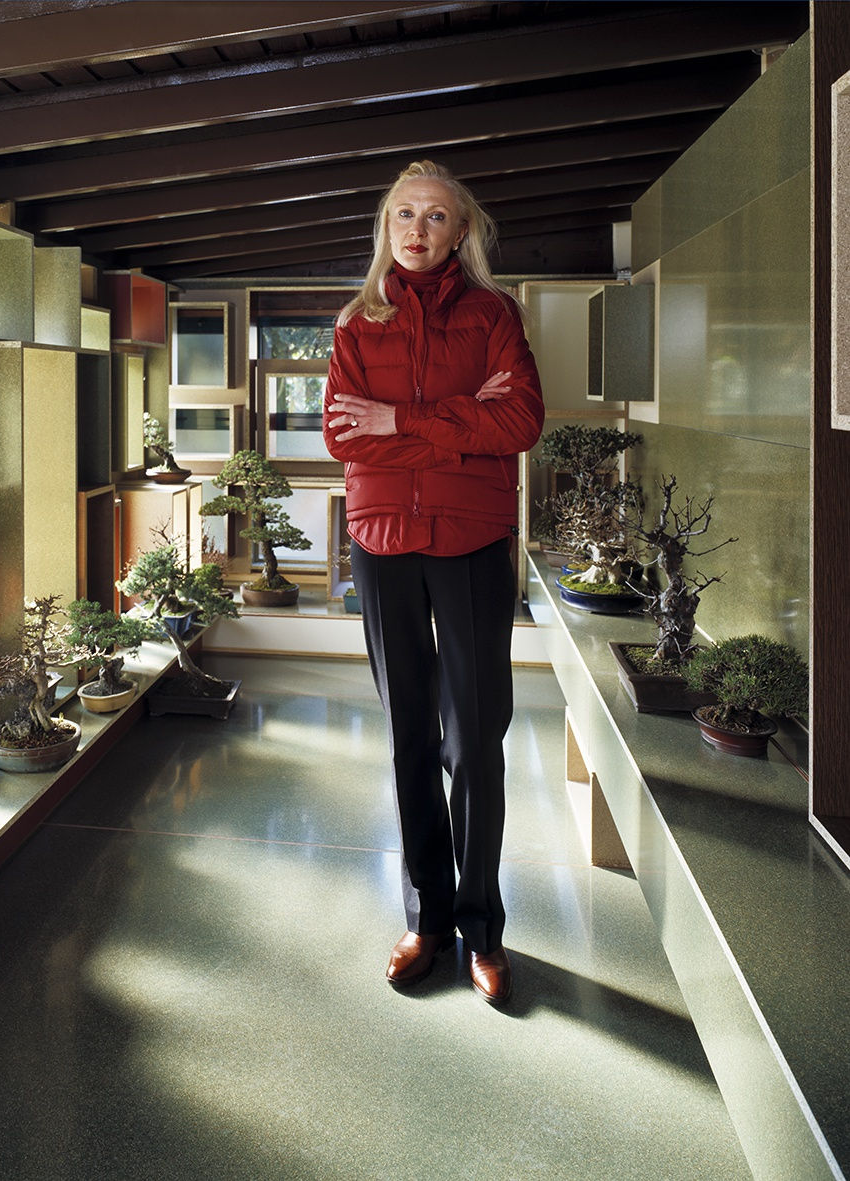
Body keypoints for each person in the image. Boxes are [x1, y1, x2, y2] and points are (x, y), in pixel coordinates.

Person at [323, 160, 544, 1002]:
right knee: (407, 731)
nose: (417, 229)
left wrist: (403, 421)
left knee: (476, 735)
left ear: (462, 232)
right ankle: (426, 919)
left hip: (473, 541)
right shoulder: (354, 325)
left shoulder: (493, 315)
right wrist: (461, 427)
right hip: (382, 542)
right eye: (403, 214)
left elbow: (519, 420)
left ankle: (483, 929)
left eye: (436, 217)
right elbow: (350, 441)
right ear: (386, 227)